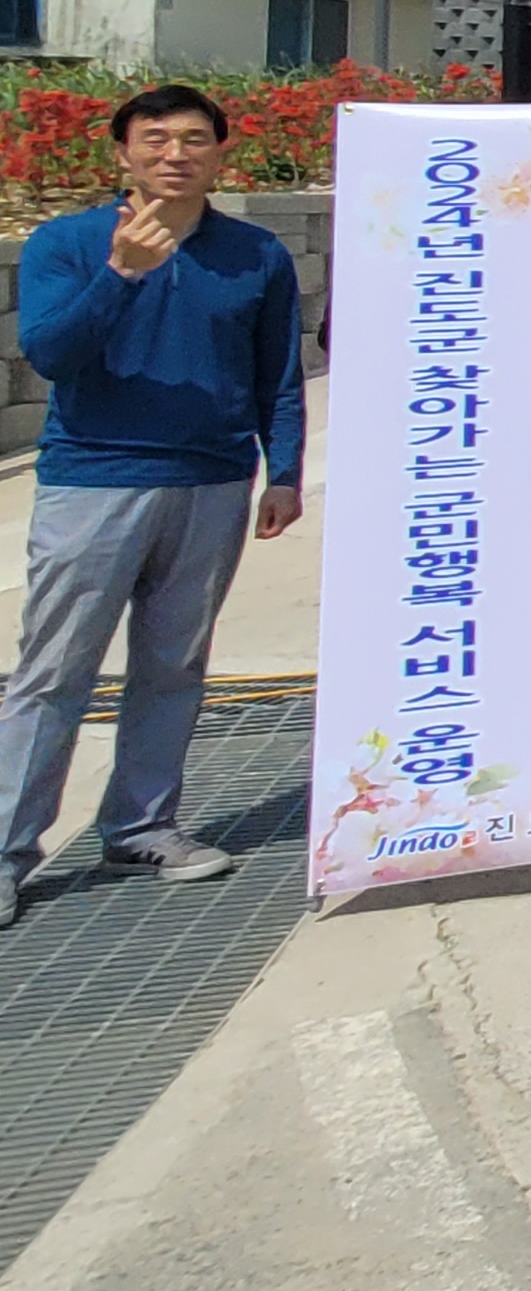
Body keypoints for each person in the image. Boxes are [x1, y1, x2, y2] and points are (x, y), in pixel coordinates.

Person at [0, 85, 308, 920]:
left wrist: (284, 470)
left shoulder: (255, 254)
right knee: (53, 672)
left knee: (172, 668)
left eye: (196, 139)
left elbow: (275, 370)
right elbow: (51, 354)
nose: (177, 153)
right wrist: (120, 277)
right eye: (157, 138)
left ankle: (141, 827)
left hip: (212, 481)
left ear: (220, 154)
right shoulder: (66, 244)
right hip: (93, 481)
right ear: (122, 153)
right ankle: (7, 850)